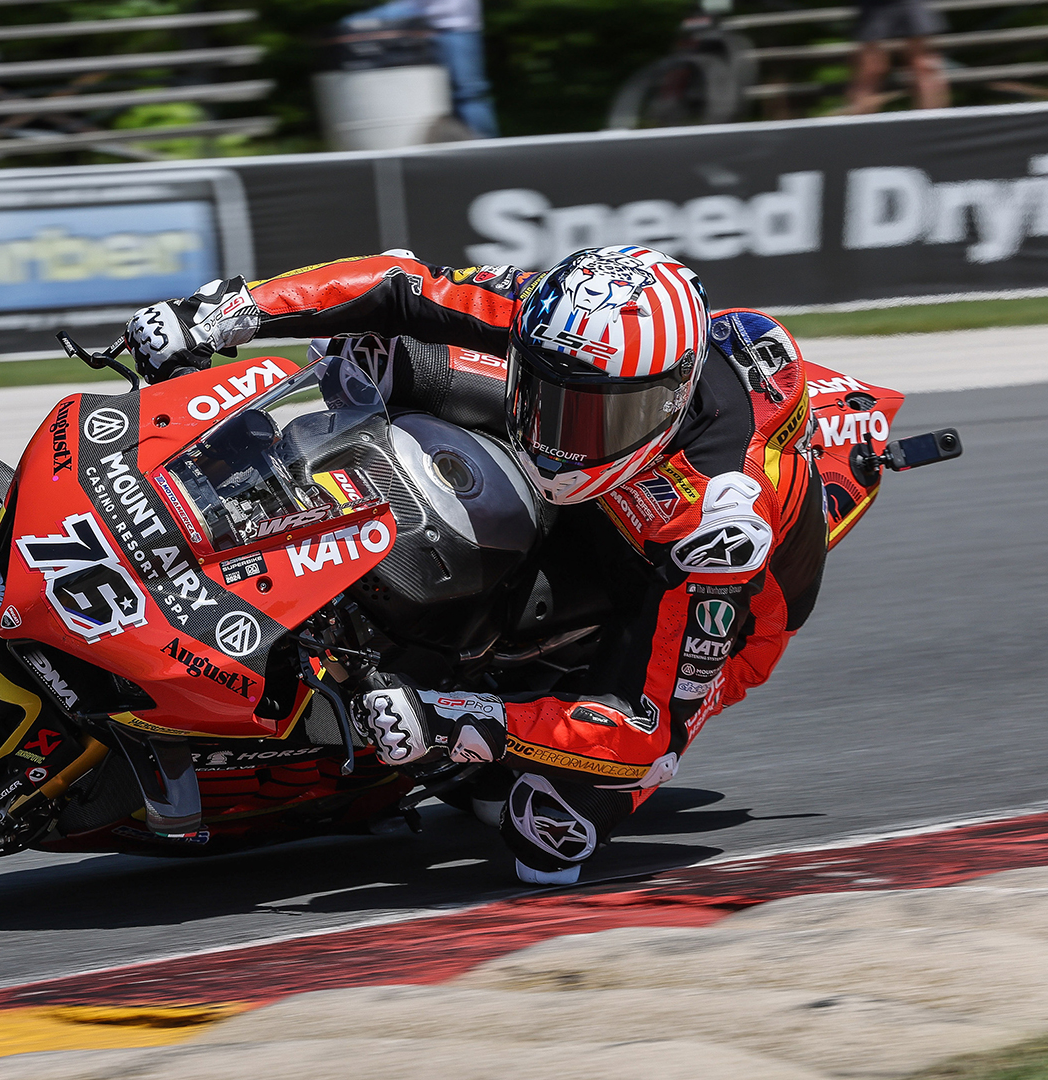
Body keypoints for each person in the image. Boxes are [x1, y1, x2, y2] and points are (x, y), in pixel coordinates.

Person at [125, 247, 824, 885]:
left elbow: (642, 731)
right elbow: (399, 285)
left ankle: (483, 714)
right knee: (375, 353)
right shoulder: (562, 318)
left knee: (545, 840)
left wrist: (455, 719)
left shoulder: (721, 524)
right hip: (607, 494)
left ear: (669, 398)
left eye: (592, 418)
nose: (557, 440)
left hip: (677, 589)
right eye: (549, 399)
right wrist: (227, 311)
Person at [345, 0, 499, 138]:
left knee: (469, 95)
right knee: (453, 95)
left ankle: (485, 145)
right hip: (427, 20)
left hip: (451, 23)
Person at [847, 0, 950, 113]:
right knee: (871, 69)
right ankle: (860, 121)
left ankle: (934, 119)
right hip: (874, 6)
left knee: (925, 66)